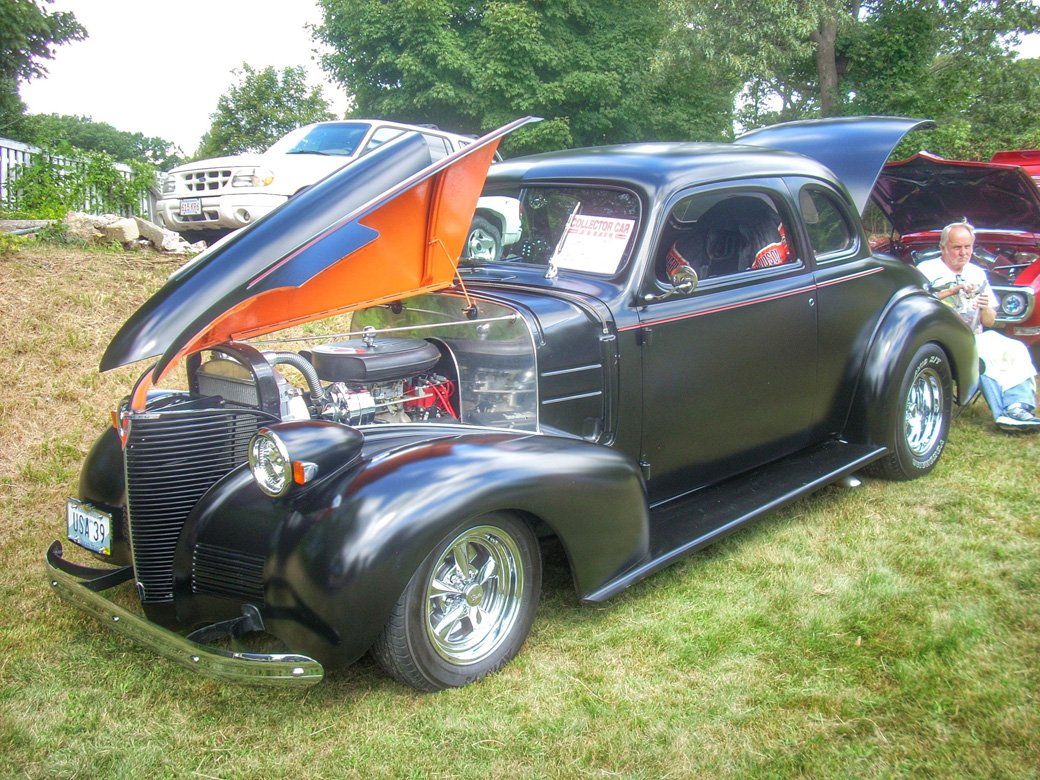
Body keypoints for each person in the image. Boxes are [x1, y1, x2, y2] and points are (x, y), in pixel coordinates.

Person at [918, 221, 1040, 433]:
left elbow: (990, 321)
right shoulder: (926, 270)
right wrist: (951, 291)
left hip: (975, 334)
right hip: (942, 337)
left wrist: (985, 307)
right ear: (943, 247)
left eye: (968, 247)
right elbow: (918, 304)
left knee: (1015, 348)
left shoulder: (977, 272)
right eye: (957, 247)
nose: (963, 253)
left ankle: (1018, 407)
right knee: (984, 356)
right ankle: (1004, 413)